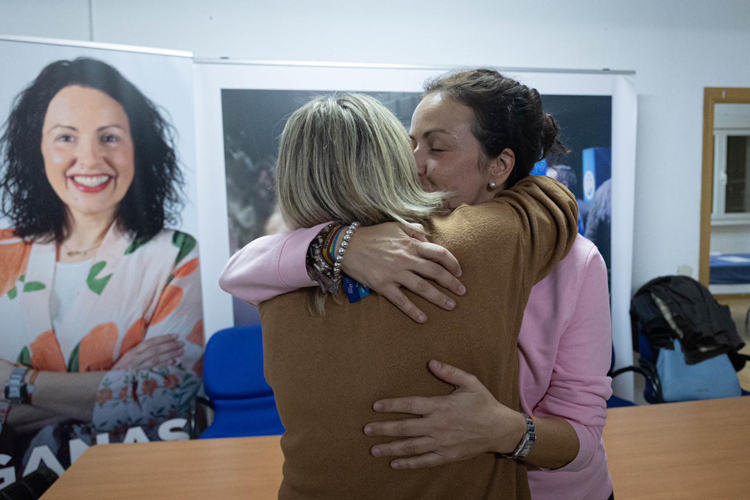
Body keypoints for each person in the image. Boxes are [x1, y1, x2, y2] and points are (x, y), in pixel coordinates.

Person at [221, 69, 614, 500]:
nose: (413, 162)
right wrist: (339, 244)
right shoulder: (386, 246)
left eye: (437, 147)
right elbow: (242, 268)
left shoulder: (572, 261)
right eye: (409, 143)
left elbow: (584, 433)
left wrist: (504, 430)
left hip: (553, 489)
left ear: (499, 166)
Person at [0, 58, 203, 481]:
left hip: (132, 481)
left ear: (137, 148)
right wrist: (118, 382)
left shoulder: (176, 256)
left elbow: (167, 397)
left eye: (109, 137)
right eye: (66, 137)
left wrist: (17, 384)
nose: (89, 159)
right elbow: (135, 397)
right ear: (35, 147)